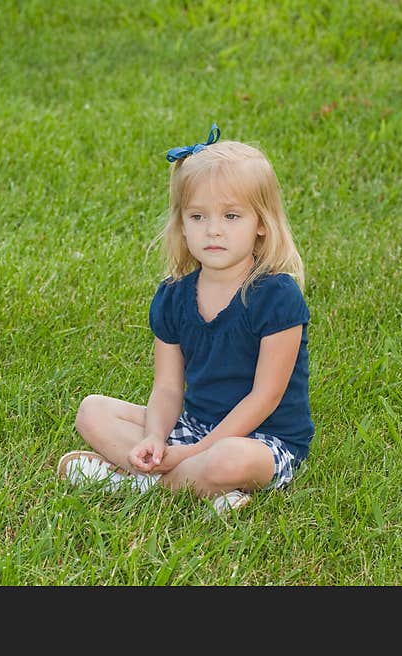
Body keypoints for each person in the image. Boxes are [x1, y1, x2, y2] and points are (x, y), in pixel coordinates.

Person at [57, 124, 314, 515]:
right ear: (182, 223)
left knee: (227, 460)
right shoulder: (175, 295)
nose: (213, 230)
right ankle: (199, 486)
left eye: (231, 216)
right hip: (193, 424)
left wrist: (192, 453)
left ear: (261, 223)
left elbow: (266, 397)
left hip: (261, 439)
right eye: (197, 216)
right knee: (92, 410)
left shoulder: (277, 297)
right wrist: (157, 439)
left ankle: (136, 484)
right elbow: (167, 388)